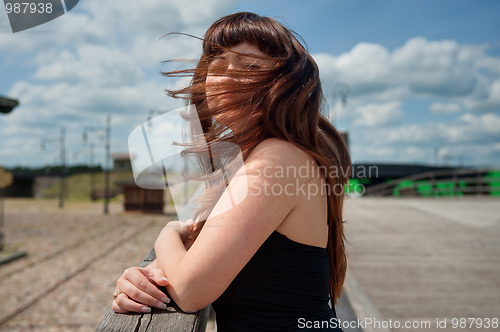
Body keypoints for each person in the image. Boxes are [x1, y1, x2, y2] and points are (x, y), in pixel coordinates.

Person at [112, 12, 350, 331]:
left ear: (286, 85)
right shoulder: (249, 158)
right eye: (218, 64)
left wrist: (167, 233)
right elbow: (193, 260)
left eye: (250, 67)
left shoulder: (278, 157)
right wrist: (141, 278)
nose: (226, 76)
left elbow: (191, 290)